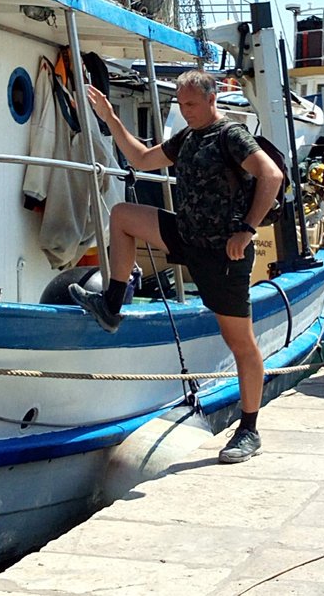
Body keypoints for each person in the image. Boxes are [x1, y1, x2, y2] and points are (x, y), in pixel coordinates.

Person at [69, 70, 284, 464]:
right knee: (122, 215)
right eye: (181, 105)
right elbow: (141, 158)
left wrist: (247, 231)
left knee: (241, 343)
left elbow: (271, 175)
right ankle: (112, 304)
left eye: (191, 105)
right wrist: (110, 119)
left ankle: (249, 430)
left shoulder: (229, 135)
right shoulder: (189, 137)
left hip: (224, 253)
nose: (185, 112)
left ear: (211, 99)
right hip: (187, 236)